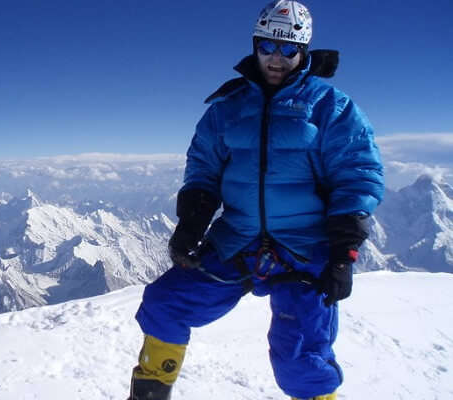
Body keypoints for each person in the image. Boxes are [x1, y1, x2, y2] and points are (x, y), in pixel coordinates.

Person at [127, 1, 384, 399]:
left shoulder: (331, 107)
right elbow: (204, 169)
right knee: (165, 303)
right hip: (238, 239)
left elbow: (357, 175)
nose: (276, 59)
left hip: (305, 247)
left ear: (304, 52)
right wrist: (191, 223)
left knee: (301, 361)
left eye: (288, 49)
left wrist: (342, 253)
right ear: (255, 45)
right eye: (268, 47)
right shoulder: (228, 107)